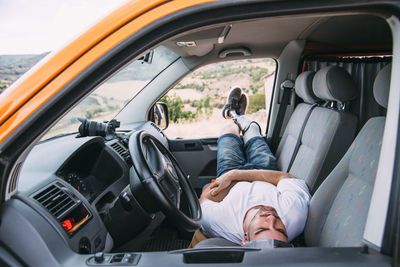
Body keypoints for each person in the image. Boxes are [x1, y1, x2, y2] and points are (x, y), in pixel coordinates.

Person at [191, 86, 311, 247]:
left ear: (245, 239)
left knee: (228, 133)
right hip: (265, 171)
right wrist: (236, 176)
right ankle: (241, 116)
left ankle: (232, 114)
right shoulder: (295, 215)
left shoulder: (219, 223)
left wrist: (231, 175)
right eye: (281, 230)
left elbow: (204, 201)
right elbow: (285, 177)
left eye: (262, 229)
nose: (272, 218)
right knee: (253, 130)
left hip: (228, 176)